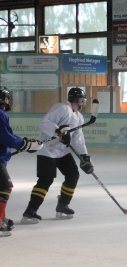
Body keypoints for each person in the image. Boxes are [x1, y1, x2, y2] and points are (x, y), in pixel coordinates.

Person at [21, 87, 95, 224]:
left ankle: (63, 205)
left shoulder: (78, 117)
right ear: (78, 100)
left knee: (73, 174)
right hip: (47, 151)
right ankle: (29, 212)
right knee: (46, 180)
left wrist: (84, 155)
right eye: (82, 100)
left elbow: (77, 139)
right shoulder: (62, 108)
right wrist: (58, 131)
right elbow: (45, 123)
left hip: (62, 152)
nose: (82, 103)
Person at [0, 86, 43, 237]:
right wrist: (26, 143)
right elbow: (6, 137)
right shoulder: (0, 114)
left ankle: (2, 218)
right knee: (5, 186)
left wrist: (25, 144)